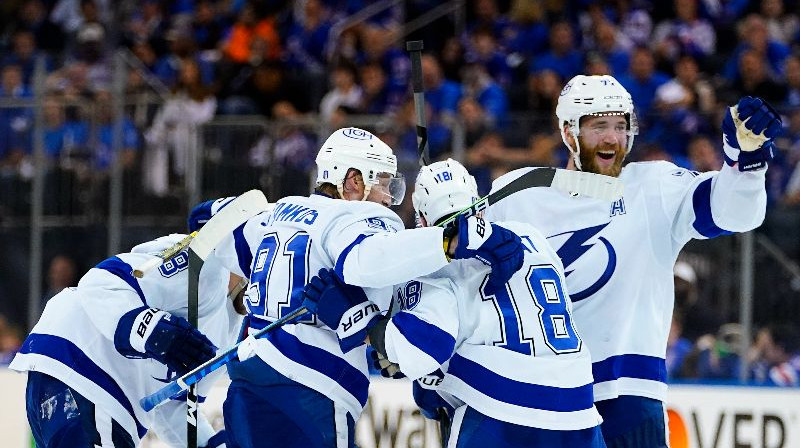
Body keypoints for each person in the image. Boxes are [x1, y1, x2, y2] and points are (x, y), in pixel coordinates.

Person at [484, 74, 780, 447]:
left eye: (621, 126)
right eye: (599, 125)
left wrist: (746, 166)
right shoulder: (518, 194)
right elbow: (469, 279)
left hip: (629, 394)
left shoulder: (653, 187)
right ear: (567, 132)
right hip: (537, 396)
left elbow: (734, 213)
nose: (612, 138)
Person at [211, 127, 524, 448]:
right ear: (353, 182)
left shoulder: (278, 212)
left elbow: (219, 238)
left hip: (248, 378)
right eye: (384, 184)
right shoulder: (357, 215)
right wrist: (451, 240)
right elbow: (366, 259)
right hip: (309, 384)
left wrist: (210, 218)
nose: (388, 198)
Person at [302, 159, 605, 447]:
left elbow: (423, 346)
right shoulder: (532, 236)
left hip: (504, 412)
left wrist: (365, 325)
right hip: (580, 407)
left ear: (421, 220)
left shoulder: (432, 265)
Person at [10, 229, 243, 447]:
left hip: (89, 387)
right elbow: (101, 283)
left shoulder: (232, 335)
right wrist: (154, 332)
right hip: (88, 369)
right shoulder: (202, 259)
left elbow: (172, 406)